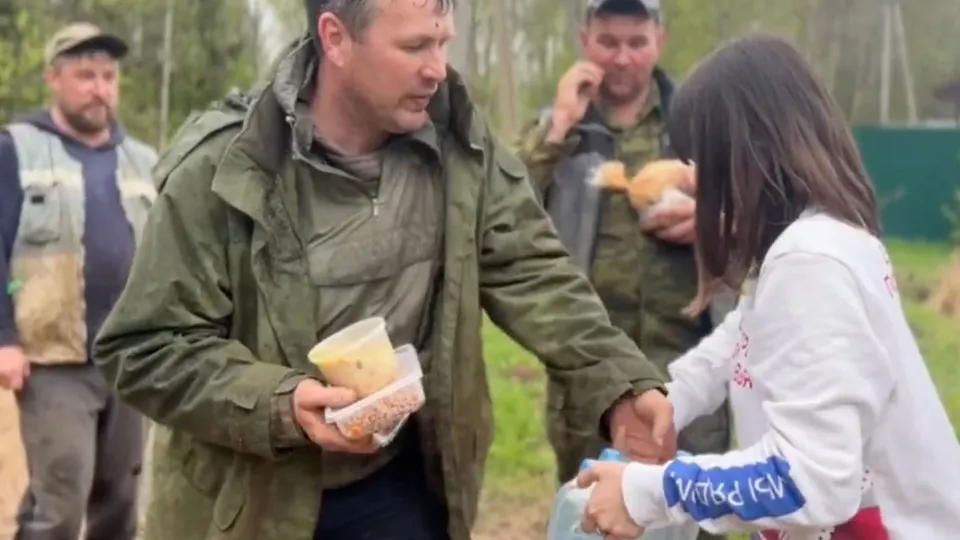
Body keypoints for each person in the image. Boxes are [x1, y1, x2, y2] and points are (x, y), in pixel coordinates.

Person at [90, 1, 678, 540]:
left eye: (443, 43)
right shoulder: (222, 169)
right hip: (249, 505)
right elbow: (145, 347)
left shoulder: (460, 147)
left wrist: (619, 380)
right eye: (416, 47)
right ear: (336, 38)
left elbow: (534, 271)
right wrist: (280, 402)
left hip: (403, 489)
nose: (438, 70)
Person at [575, 35, 960, 540]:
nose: (698, 188)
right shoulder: (821, 240)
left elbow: (810, 481)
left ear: (744, 159)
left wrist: (649, 491)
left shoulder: (811, 263)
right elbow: (750, 331)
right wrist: (676, 396)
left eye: (702, 168)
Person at [514, 0, 732, 499]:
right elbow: (503, 214)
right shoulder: (560, 129)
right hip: (590, 375)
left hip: (689, 369)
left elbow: (753, 214)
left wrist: (713, 222)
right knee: (593, 510)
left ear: (660, 40)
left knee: (693, 514)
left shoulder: (699, 123)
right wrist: (559, 126)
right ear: (586, 40)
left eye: (636, 43)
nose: (623, 58)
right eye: (609, 42)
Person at [0, 22, 157, 540]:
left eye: (108, 76)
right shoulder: (16, 149)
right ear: (53, 78)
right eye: (85, 75)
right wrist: (4, 339)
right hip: (53, 360)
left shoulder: (144, 160)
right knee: (60, 508)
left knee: (121, 504)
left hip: (129, 359)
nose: (99, 87)